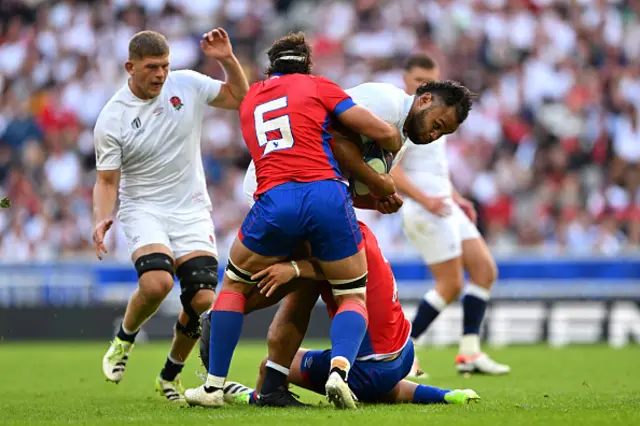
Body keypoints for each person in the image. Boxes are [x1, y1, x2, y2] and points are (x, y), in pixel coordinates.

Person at [217, 70, 475, 408]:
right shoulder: (384, 102)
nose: (433, 136)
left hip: (309, 192)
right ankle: (245, 342)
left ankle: (239, 347)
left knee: (299, 289)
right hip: (286, 184)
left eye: (443, 133)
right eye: (437, 125)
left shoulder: (398, 136)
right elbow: (330, 141)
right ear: (424, 99)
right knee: (306, 288)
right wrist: (375, 180)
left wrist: (375, 198)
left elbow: (345, 182)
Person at [184, 31, 405, 410]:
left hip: (274, 199)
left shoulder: (252, 96)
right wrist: (387, 159)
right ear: (307, 64)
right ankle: (339, 372)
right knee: (351, 292)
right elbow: (383, 132)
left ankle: (213, 386)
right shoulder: (320, 87)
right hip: (326, 196)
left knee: (234, 286)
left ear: (271, 67)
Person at [93, 28, 249, 404]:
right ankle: (124, 339)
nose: (161, 74)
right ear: (131, 67)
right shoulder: (112, 118)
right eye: (151, 67)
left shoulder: (187, 85)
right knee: (157, 284)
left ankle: (169, 375)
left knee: (203, 300)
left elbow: (239, 97)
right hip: (143, 208)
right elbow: (107, 180)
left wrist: (227, 59)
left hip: (191, 208)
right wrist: (100, 217)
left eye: (165, 65)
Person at [199, 221, 481, 407]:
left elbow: (277, 296)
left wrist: (233, 306)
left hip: (370, 366)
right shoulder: (359, 232)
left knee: (269, 366)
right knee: (384, 388)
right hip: (403, 351)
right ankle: (447, 396)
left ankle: (252, 397)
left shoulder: (324, 257)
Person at [391, 54, 510, 376]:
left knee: (484, 270)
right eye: (416, 80)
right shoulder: (403, 117)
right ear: (406, 79)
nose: (420, 86)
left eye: (427, 80)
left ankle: (469, 353)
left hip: (444, 204)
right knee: (451, 284)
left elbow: (433, 169)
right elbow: (393, 170)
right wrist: (426, 199)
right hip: (424, 207)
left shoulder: (437, 114)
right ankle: (403, 352)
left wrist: (456, 197)